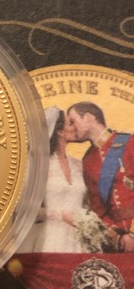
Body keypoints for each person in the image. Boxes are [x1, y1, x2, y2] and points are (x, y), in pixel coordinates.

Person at [68, 101, 134, 252]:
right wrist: (119, 237)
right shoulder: (88, 160)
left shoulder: (130, 143)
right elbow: (98, 209)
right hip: (121, 243)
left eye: (73, 121)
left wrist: (132, 234)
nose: (71, 128)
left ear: (88, 117)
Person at [19, 107, 87, 253]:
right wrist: (59, 215)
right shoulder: (38, 166)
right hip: (49, 239)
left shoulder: (79, 165)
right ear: (59, 131)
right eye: (70, 124)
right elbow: (23, 209)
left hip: (78, 240)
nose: (75, 127)